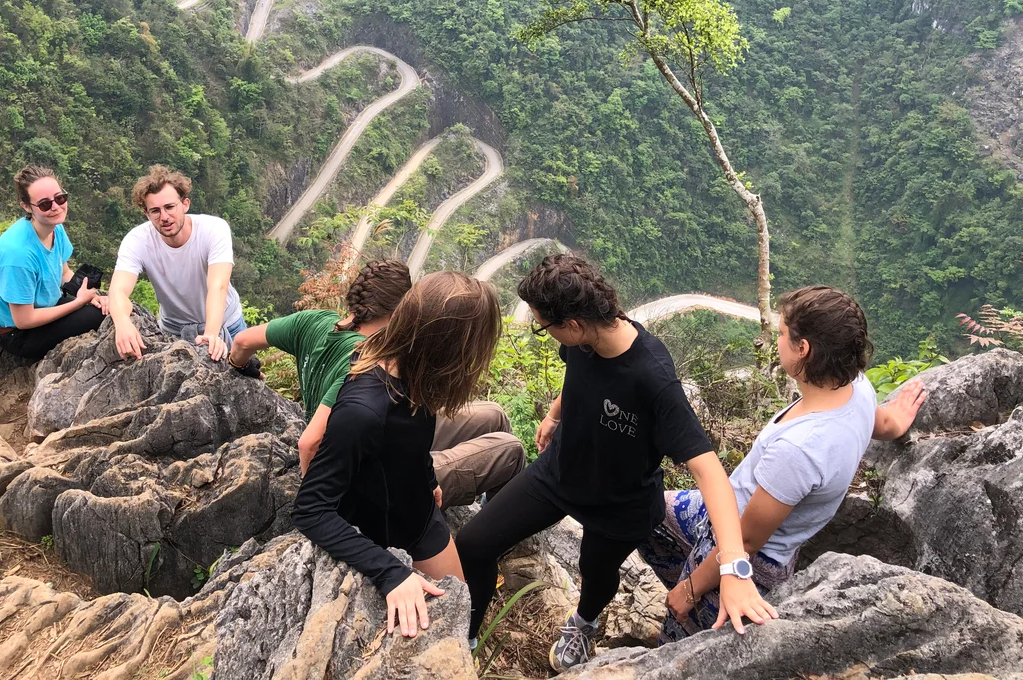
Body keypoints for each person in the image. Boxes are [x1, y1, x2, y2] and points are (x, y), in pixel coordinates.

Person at [455, 254, 776, 672]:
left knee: (596, 572)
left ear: (572, 324)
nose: (544, 334)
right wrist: (555, 415)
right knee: (473, 545)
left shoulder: (653, 377)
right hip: (560, 473)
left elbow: (710, 472)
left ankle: (584, 624)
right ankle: (467, 635)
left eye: (544, 325)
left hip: (620, 504)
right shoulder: (585, 339)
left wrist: (733, 565)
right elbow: (577, 377)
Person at [638, 285, 928, 642]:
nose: (776, 340)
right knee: (642, 509)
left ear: (803, 349)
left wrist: (690, 590)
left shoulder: (801, 449)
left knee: (679, 634)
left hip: (747, 561)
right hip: (723, 511)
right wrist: (898, 421)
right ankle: (686, 575)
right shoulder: (856, 389)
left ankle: (686, 598)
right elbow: (880, 423)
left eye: (781, 334)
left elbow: (745, 540)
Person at [292, 271, 501, 640]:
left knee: (462, 611)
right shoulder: (364, 410)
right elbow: (311, 509)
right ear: (447, 346)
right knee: (444, 628)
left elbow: (410, 439)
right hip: (377, 533)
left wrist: (427, 478)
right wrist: (391, 572)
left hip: (418, 516)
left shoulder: (415, 372)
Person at [229, 260, 525, 502]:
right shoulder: (368, 361)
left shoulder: (312, 321)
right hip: (374, 471)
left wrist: (241, 367)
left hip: (379, 434)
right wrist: (319, 498)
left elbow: (242, 341)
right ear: (400, 312)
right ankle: (493, 543)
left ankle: (493, 514)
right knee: (510, 450)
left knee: (494, 415)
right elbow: (310, 442)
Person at [108, 166, 246, 362]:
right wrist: (122, 324)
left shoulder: (213, 229)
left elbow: (218, 286)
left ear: (185, 204)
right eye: (155, 211)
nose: (164, 217)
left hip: (228, 325)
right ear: (147, 214)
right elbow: (118, 290)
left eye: (170, 207)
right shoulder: (137, 240)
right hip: (174, 331)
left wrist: (211, 334)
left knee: (250, 381)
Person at [0, 165, 108, 359]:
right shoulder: (18, 255)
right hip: (19, 334)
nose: (55, 207)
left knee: (107, 306)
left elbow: (64, 273)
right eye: (44, 204)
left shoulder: (54, 228)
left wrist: (90, 296)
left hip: (46, 307)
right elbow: (24, 320)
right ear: (26, 206)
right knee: (100, 315)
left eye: (60, 198)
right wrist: (78, 303)